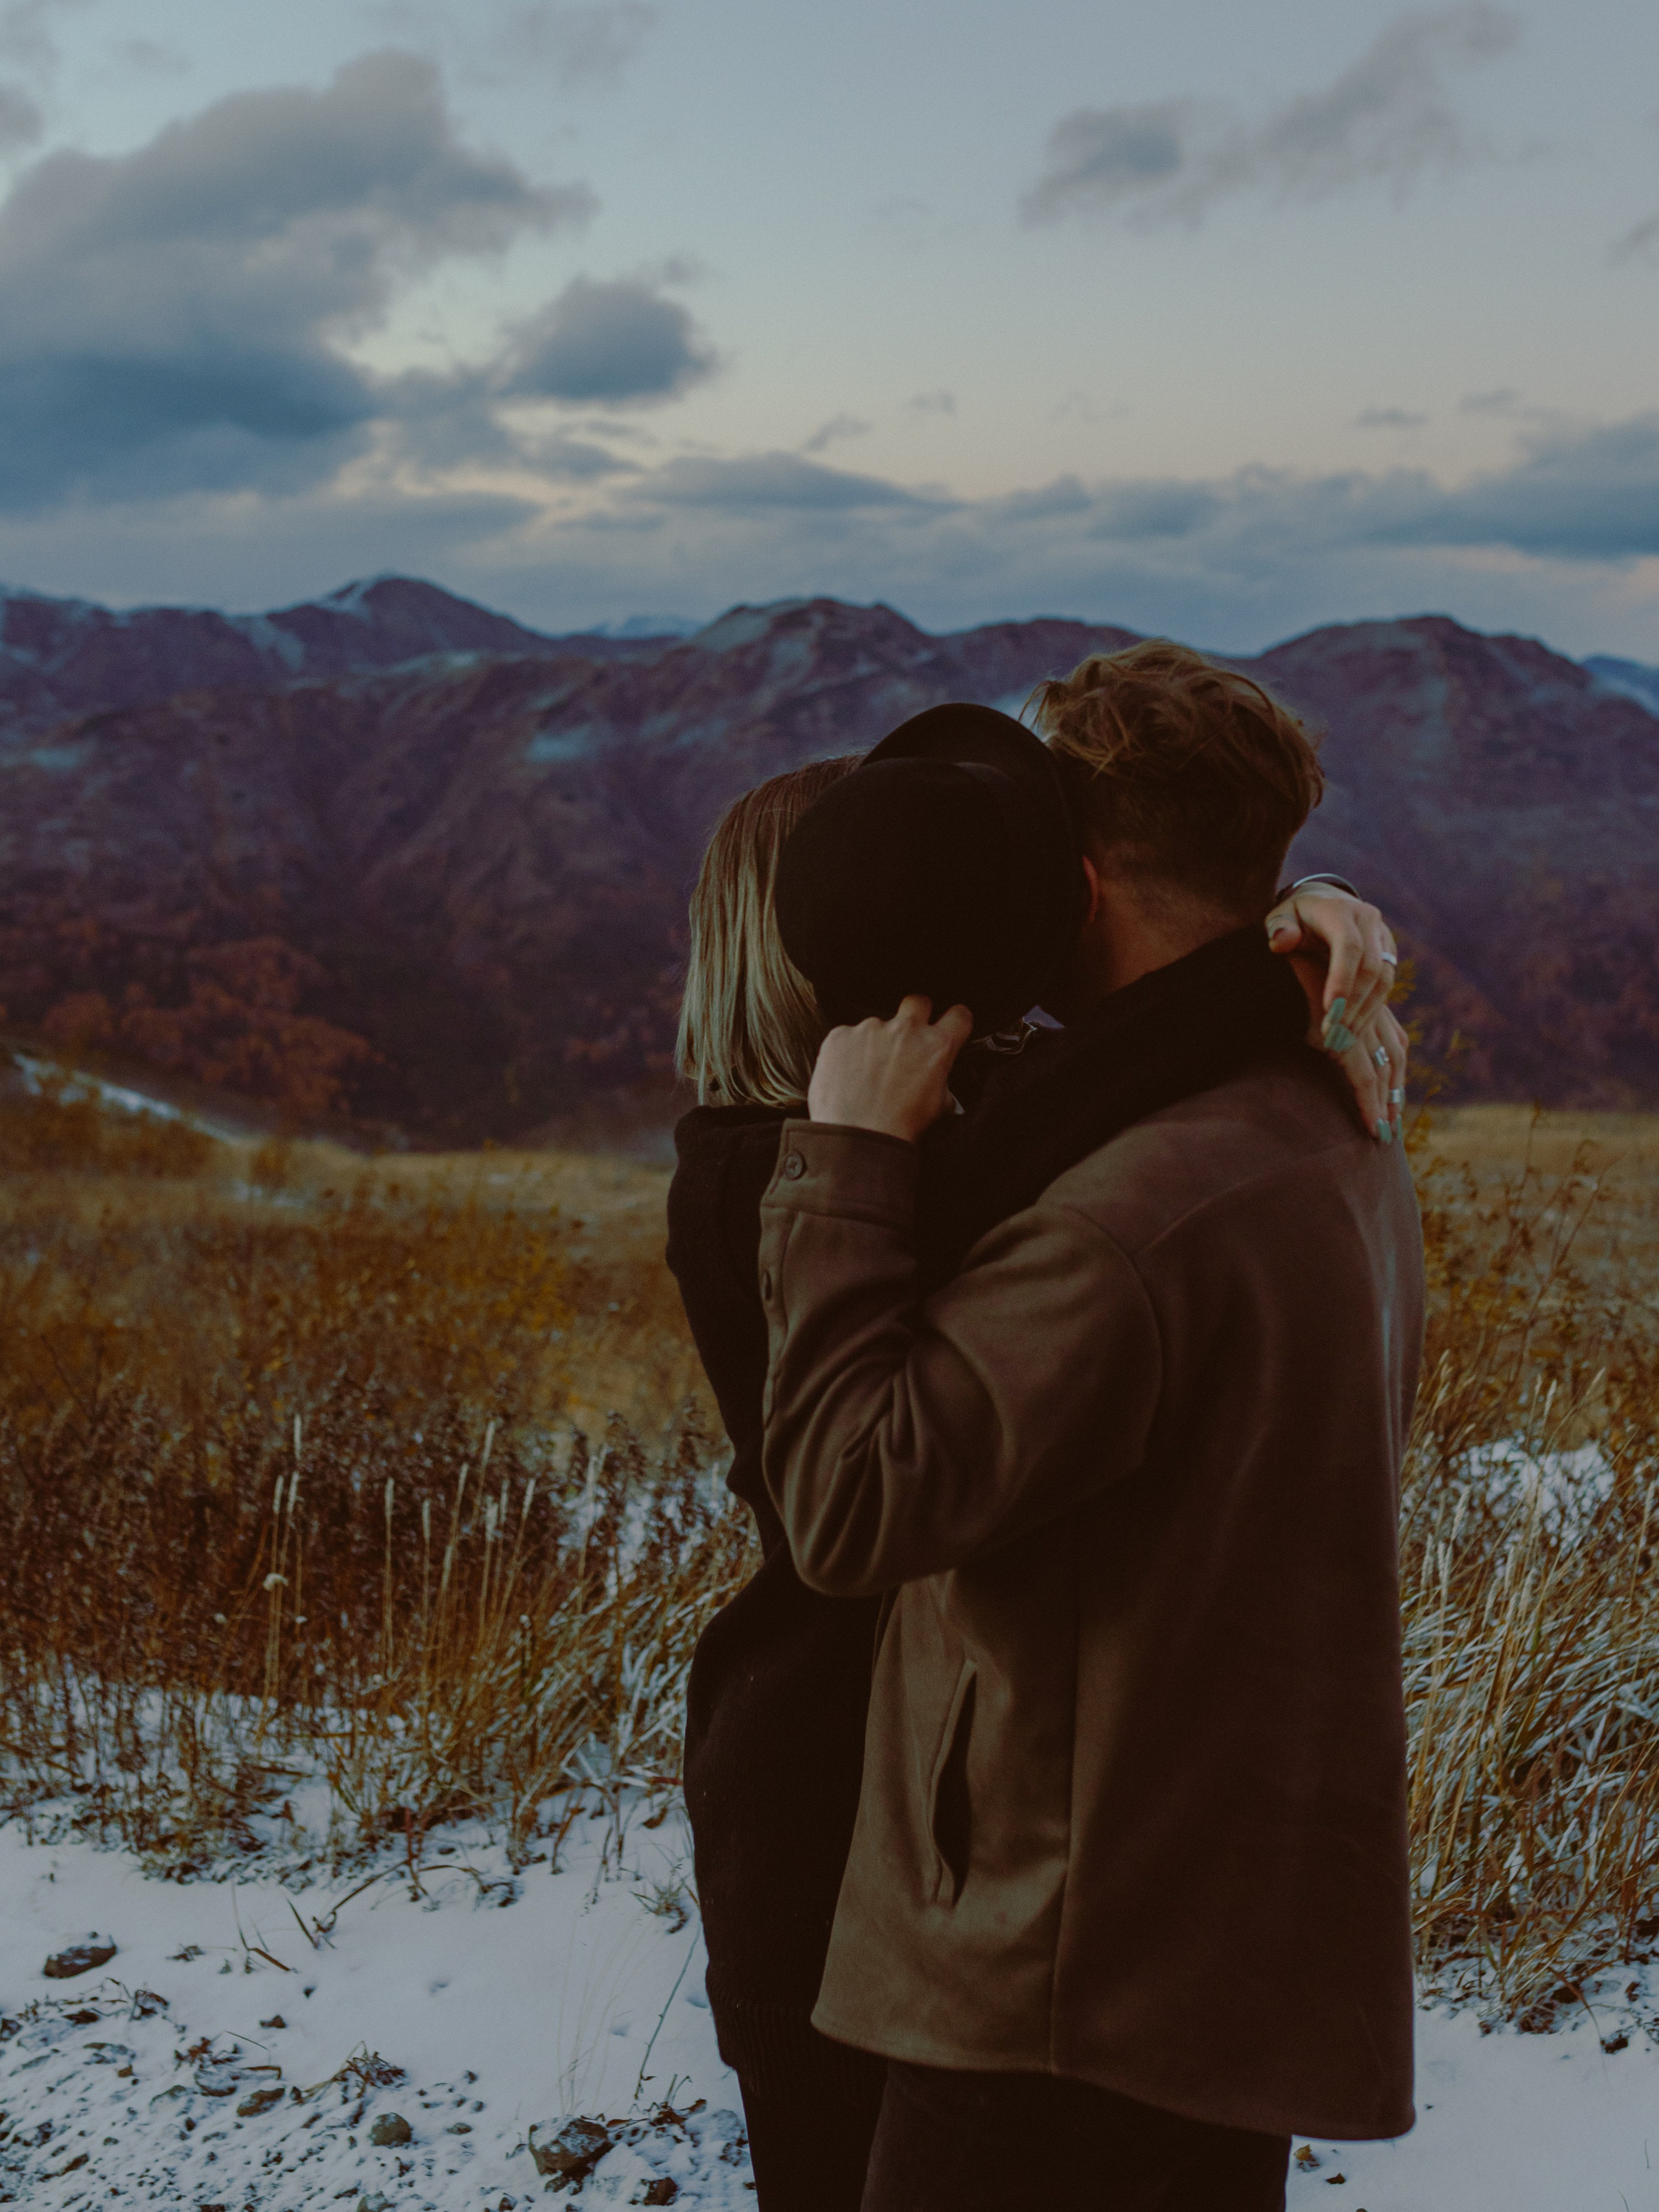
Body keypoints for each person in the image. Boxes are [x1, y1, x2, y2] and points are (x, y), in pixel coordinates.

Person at [668, 660, 1406, 2211]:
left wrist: (854, 1153)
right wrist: (1296, 944)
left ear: (1062, 873)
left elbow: (850, 1504)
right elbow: (1114, 1074)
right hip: (1180, 1921)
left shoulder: (1111, 1210)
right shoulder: (1330, 1127)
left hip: (1052, 1957)